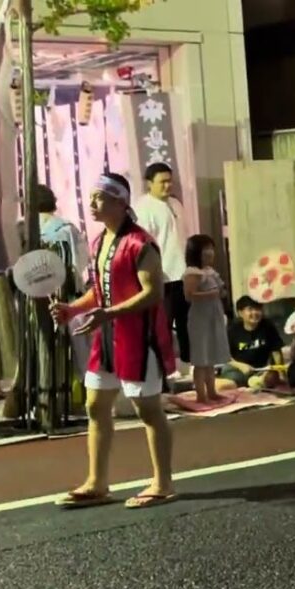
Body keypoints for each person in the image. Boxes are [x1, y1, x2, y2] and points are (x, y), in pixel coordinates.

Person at [51, 173, 178, 510]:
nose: (92, 204)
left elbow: (153, 294)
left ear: (121, 202)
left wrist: (108, 314)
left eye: (100, 198)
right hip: (107, 336)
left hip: (138, 336)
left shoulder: (140, 243)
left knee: (148, 411)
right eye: (92, 197)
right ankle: (97, 482)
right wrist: (72, 309)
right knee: (95, 406)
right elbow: (100, 290)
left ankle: (162, 483)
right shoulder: (98, 242)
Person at [134, 162, 190, 368]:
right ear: (149, 183)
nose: (168, 186)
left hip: (183, 274)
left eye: (170, 181)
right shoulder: (143, 208)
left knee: (187, 324)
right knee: (162, 326)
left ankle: (190, 366)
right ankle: (162, 370)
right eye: (162, 182)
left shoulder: (176, 204)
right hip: (162, 276)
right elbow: (143, 246)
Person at [182, 234, 230, 403]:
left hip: (213, 316)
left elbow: (220, 290)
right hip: (200, 319)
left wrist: (221, 293)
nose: (210, 253)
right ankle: (201, 395)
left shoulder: (211, 272)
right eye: (205, 250)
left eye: (211, 249)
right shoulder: (193, 272)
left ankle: (212, 391)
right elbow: (189, 295)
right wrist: (212, 294)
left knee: (210, 358)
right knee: (201, 358)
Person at [219, 296, 285, 388]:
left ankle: (256, 383)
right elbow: (225, 355)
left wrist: (281, 372)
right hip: (238, 369)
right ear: (240, 313)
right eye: (250, 309)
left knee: (271, 378)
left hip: (261, 370)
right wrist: (241, 366)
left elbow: (276, 352)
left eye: (257, 309)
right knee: (229, 383)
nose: (255, 313)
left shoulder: (268, 326)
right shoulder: (233, 330)